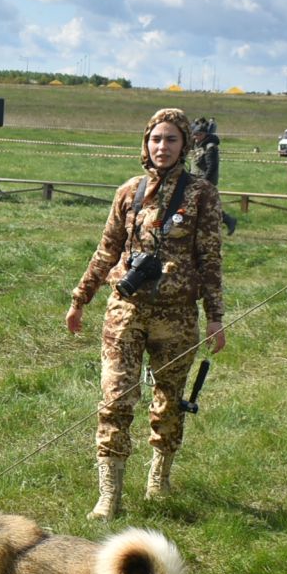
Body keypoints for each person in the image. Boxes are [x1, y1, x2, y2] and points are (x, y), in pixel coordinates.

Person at [65, 107, 225, 519]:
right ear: (145, 143)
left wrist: (215, 317)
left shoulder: (201, 194)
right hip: (126, 311)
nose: (162, 147)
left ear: (185, 145)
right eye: (156, 139)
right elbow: (106, 250)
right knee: (115, 398)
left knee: (168, 401)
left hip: (177, 316)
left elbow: (210, 258)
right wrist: (80, 299)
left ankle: (159, 475)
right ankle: (109, 495)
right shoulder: (128, 191)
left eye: (171, 139)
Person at [190, 117, 237, 234]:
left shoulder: (210, 147)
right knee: (203, 205)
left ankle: (228, 220)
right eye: (194, 134)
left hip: (206, 181)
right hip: (196, 179)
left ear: (204, 134)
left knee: (208, 205)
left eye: (197, 135)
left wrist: (204, 182)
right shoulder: (198, 144)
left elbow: (212, 167)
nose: (195, 137)